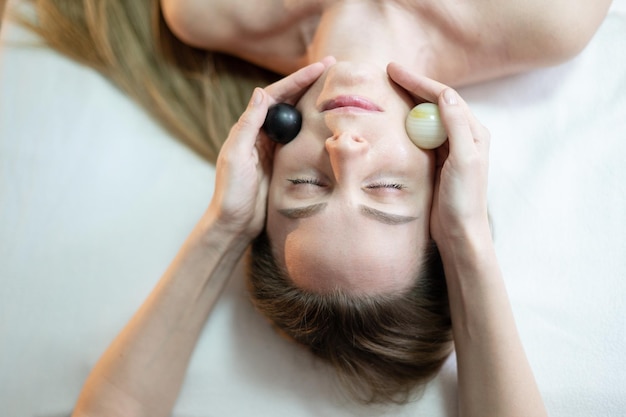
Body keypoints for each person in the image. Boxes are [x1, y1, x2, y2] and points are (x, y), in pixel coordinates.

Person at [11, 0, 612, 414]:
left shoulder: (208, 11)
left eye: (307, 186)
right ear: (445, 173)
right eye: (386, 191)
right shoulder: (545, 15)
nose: (345, 151)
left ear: (268, 160)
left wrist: (223, 228)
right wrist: (469, 244)